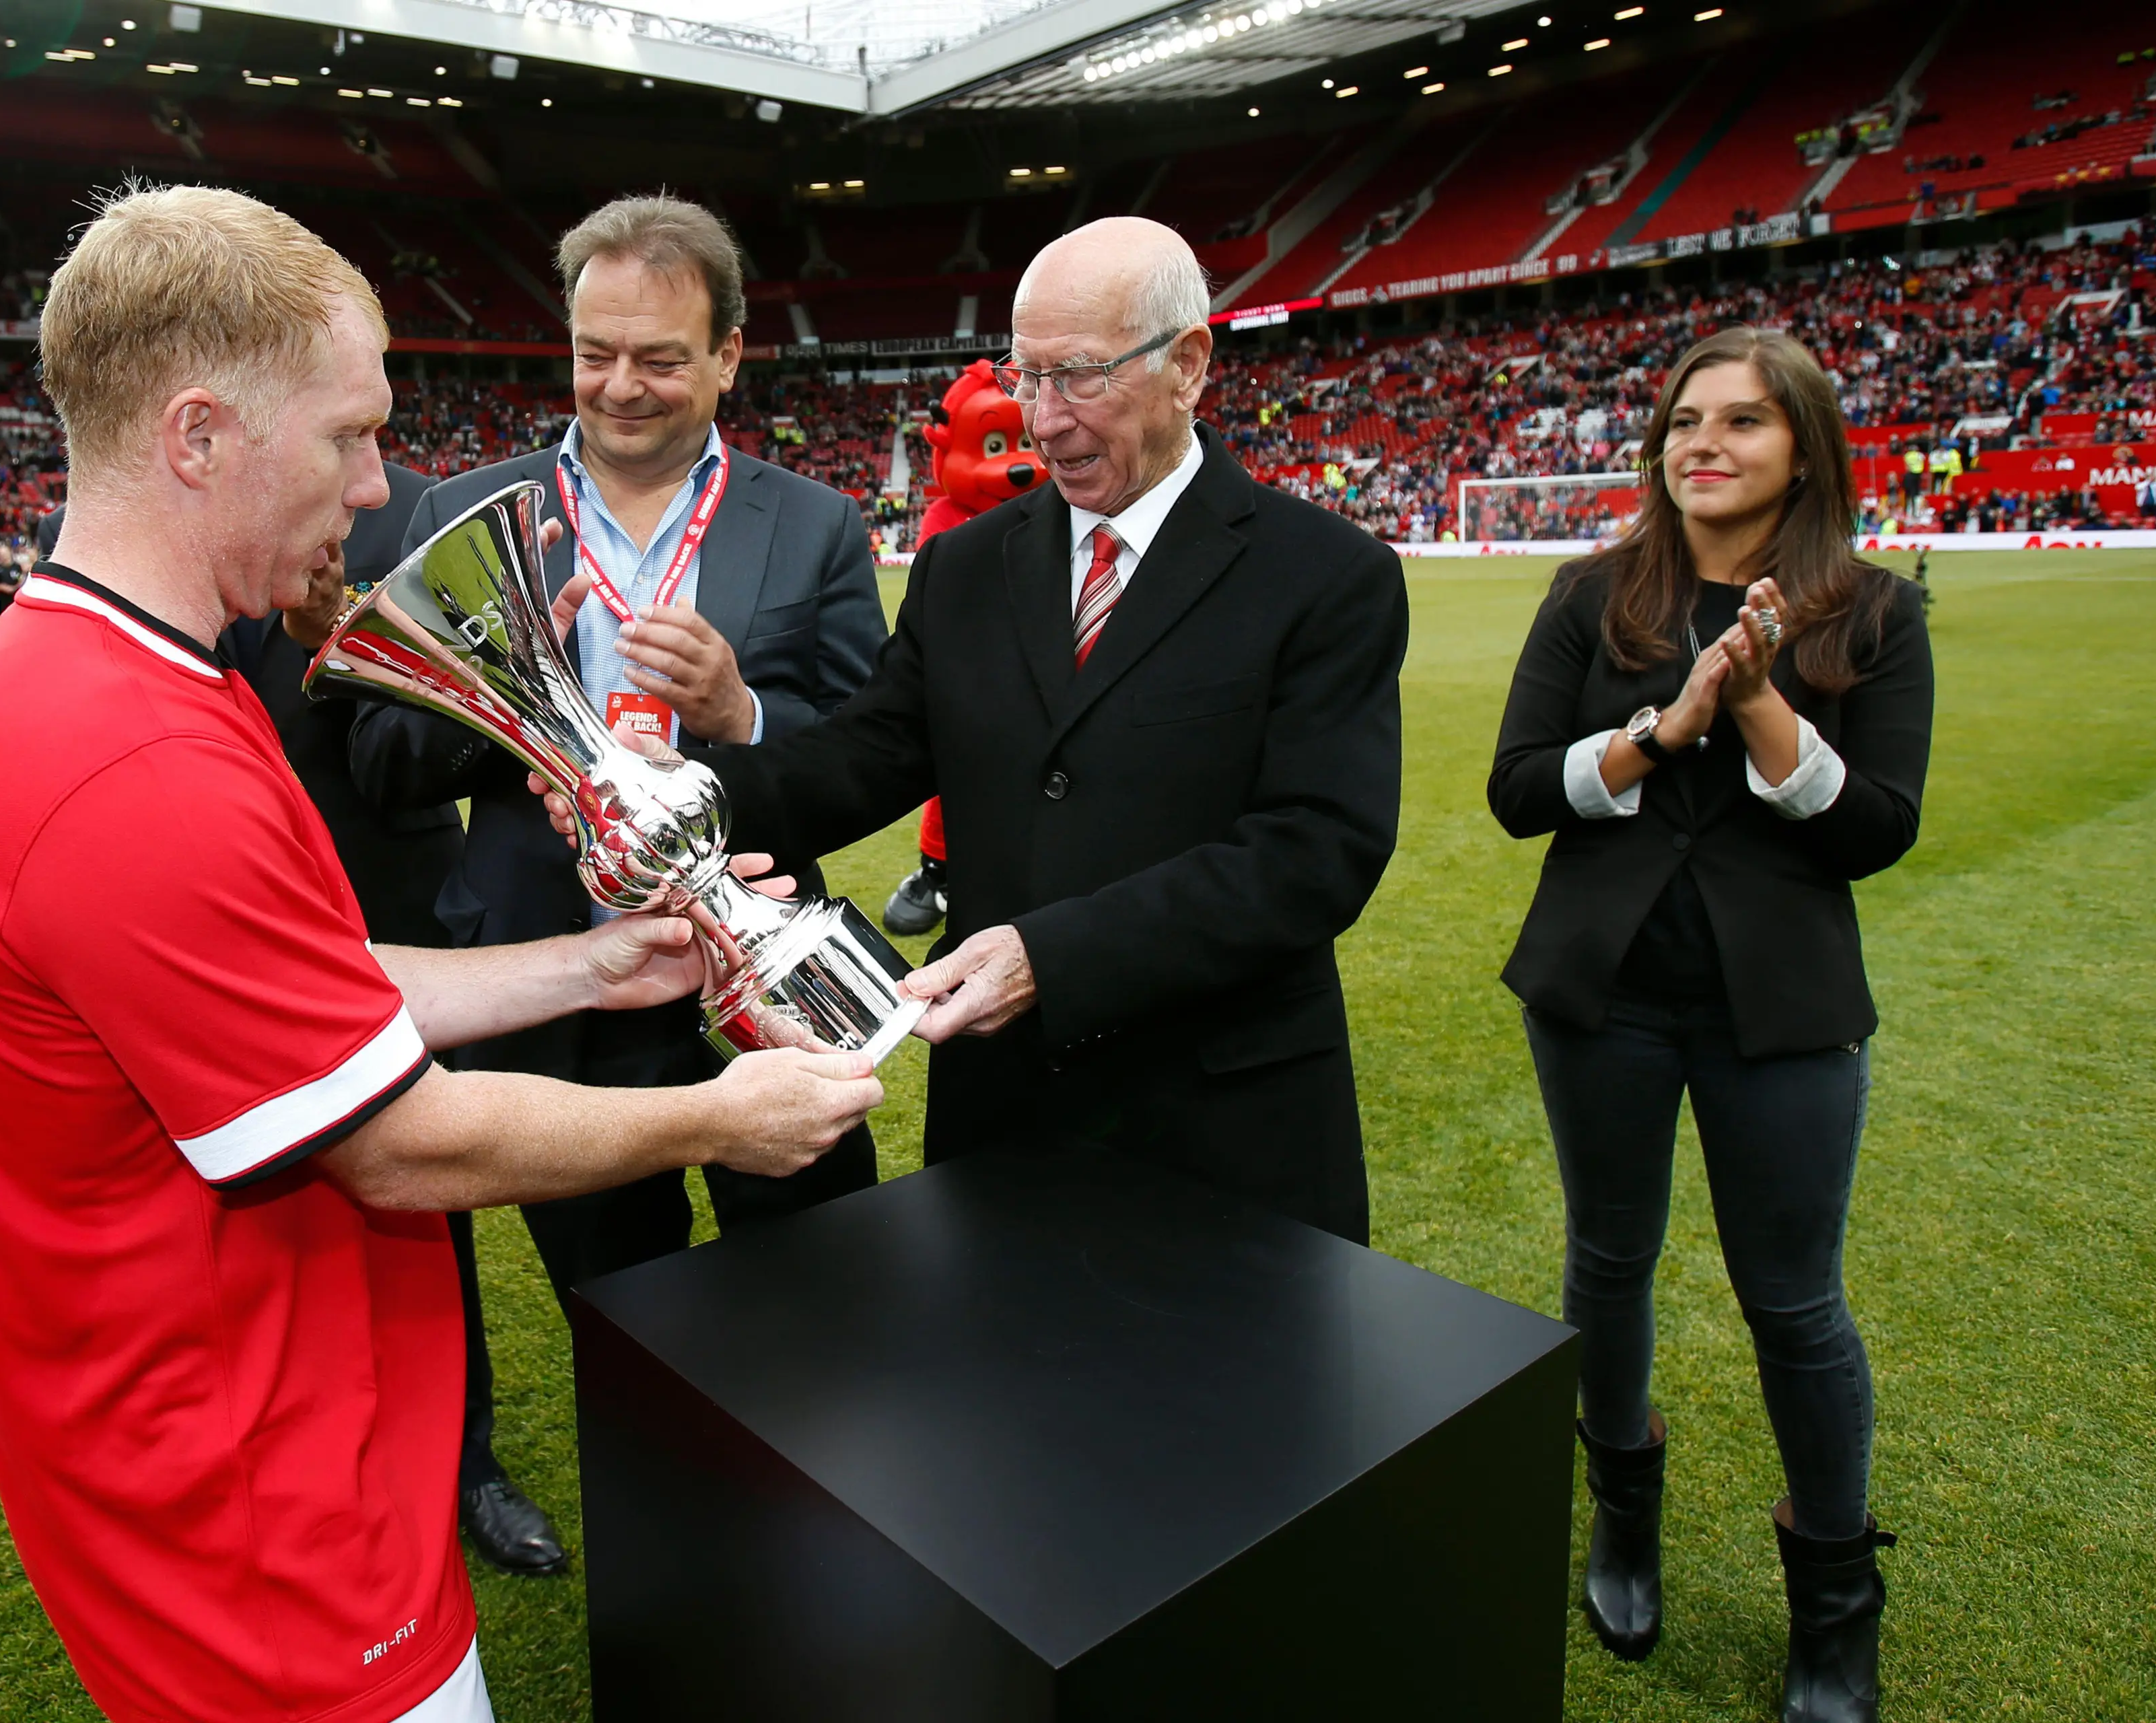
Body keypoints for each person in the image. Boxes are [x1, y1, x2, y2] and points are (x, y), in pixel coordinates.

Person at [0, 183, 881, 1723]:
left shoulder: (92, 684)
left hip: (233, 1450)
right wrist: (717, 1117)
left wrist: (585, 968)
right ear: (202, 435)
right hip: (255, 1513)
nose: (377, 489)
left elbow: (308, 981)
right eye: (352, 435)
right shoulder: (123, 760)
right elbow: (391, 1145)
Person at [549, 215, 1407, 1244]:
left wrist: (1052, 956)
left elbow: (1316, 853)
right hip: (1002, 1114)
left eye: (1079, 376)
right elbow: (866, 755)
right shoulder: (967, 568)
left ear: (1188, 366)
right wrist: (677, 799)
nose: (1042, 419)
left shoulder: (1325, 576)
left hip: (1225, 1119)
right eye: (1024, 375)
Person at [1487, 326, 1932, 1723]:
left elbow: (1875, 833)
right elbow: (1515, 791)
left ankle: (1837, 1608)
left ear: (1804, 445)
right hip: (1601, 996)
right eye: (1687, 418)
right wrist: (1659, 728)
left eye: (1742, 421)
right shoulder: (1592, 594)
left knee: (1795, 1302)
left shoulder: (1872, 611)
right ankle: (1624, 1517)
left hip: (1783, 1010)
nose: (1704, 442)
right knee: (1609, 1261)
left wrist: (1757, 708)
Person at [38, 469, 572, 1577]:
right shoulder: (113, 526)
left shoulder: (413, 508)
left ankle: (464, 1461)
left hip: (388, 892)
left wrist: (377, 646)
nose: (367, 460)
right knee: (253, 1222)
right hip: (203, 911)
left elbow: (450, 744)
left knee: (425, 1210)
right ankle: (294, 1462)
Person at [391, 194, 889, 1306]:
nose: (620, 386)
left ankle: (812, 1476)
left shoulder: (814, 523)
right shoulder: (472, 510)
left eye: (660, 359)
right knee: (617, 1305)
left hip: (756, 972)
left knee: (819, 1284)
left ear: (727, 357)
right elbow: (387, 761)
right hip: (552, 982)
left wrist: (739, 714)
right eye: (594, 353)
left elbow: (876, 752)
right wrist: (505, 721)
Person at [879, 359, 1049, 937]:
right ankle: (937, 872)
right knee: (950, 778)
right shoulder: (946, 519)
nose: (1016, 463)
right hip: (973, 683)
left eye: (1023, 442)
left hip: (1046, 683)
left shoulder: (1071, 510)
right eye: (998, 443)